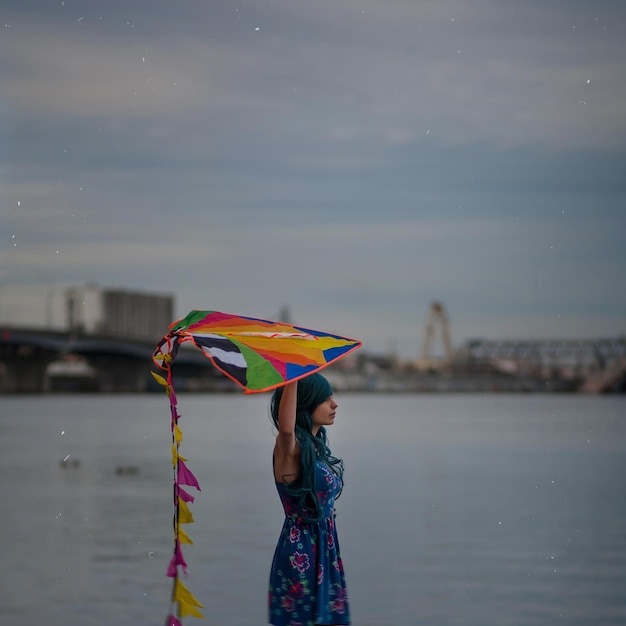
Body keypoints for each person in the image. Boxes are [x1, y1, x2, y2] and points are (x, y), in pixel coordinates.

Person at [268, 373, 351, 626]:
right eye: (325, 399)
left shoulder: (314, 449)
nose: (334, 404)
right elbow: (285, 429)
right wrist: (292, 374)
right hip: (300, 551)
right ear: (305, 402)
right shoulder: (289, 450)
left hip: (325, 548)